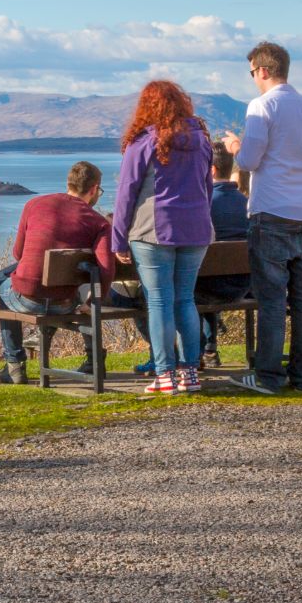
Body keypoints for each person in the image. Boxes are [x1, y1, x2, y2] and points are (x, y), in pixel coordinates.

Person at [222, 40, 302, 394]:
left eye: (252, 72)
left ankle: (268, 376)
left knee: (271, 301)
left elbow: (249, 161)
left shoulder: (261, 107)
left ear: (263, 71)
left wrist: (235, 147)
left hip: (271, 213)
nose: (252, 79)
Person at [112, 81, 214, 395]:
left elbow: (125, 193)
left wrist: (118, 239)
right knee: (186, 300)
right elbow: (207, 188)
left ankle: (165, 373)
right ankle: (190, 373)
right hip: (196, 231)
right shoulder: (202, 141)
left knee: (160, 302)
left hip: (153, 231)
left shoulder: (144, 142)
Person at [0, 160, 116, 384]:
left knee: (3, 289)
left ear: (69, 183)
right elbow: (106, 268)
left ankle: (15, 366)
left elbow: (19, 254)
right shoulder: (99, 222)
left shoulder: (34, 204)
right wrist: (94, 302)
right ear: (94, 189)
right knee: (83, 288)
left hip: (26, 298)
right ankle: (92, 359)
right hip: (64, 302)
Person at [197, 141, 251, 366]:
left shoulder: (202, 204)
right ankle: (209, 349)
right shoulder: (248, 202)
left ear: (211, 170)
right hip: (244, 286)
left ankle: (197, 351)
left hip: (208, 287)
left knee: (187, 284)